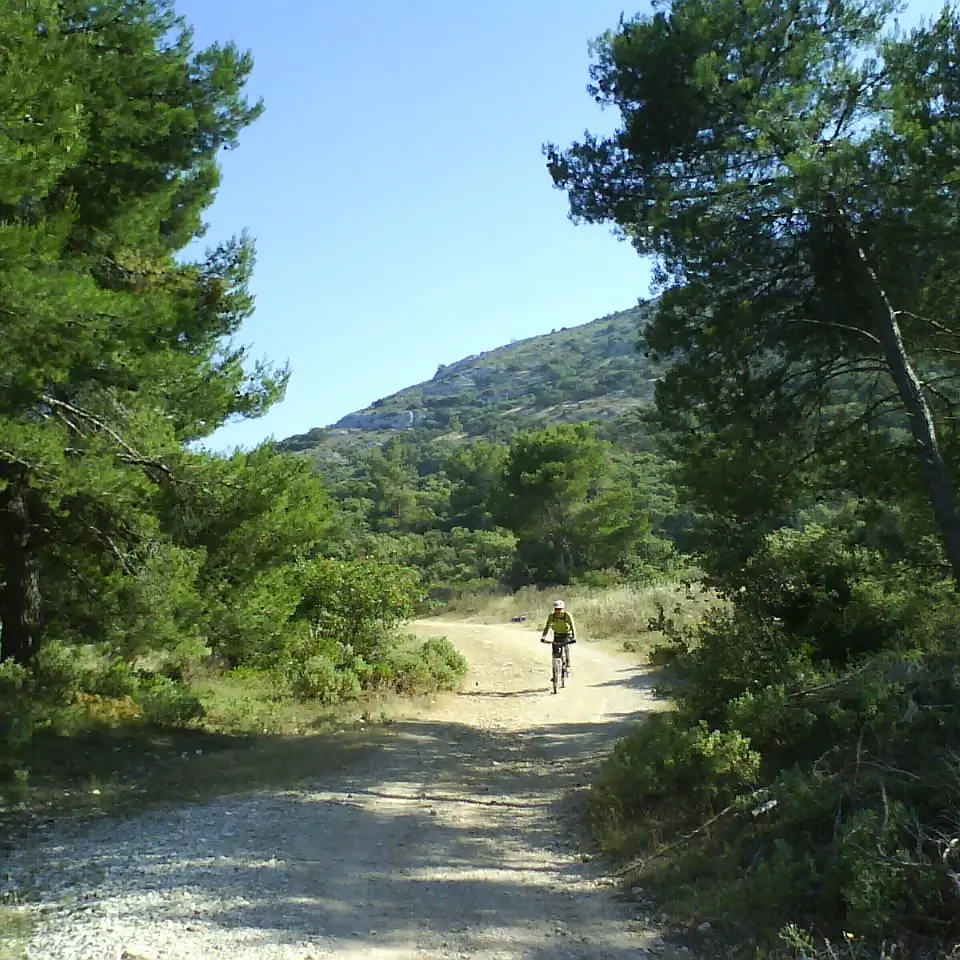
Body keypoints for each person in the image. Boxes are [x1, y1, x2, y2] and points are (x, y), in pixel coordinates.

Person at [540, 599, 576, 673]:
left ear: (563, 609)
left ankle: (568, 665)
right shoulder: (552, 616)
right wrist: (543, 637)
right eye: (556, 609)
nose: (558, 611)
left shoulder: (567, 615)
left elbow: (573, 626)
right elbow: (547, 626)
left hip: (566, 635)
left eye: (559, 609)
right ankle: (555, 672)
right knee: (555, 654)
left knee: (566, 649)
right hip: (557, 635)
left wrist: (574, 637)